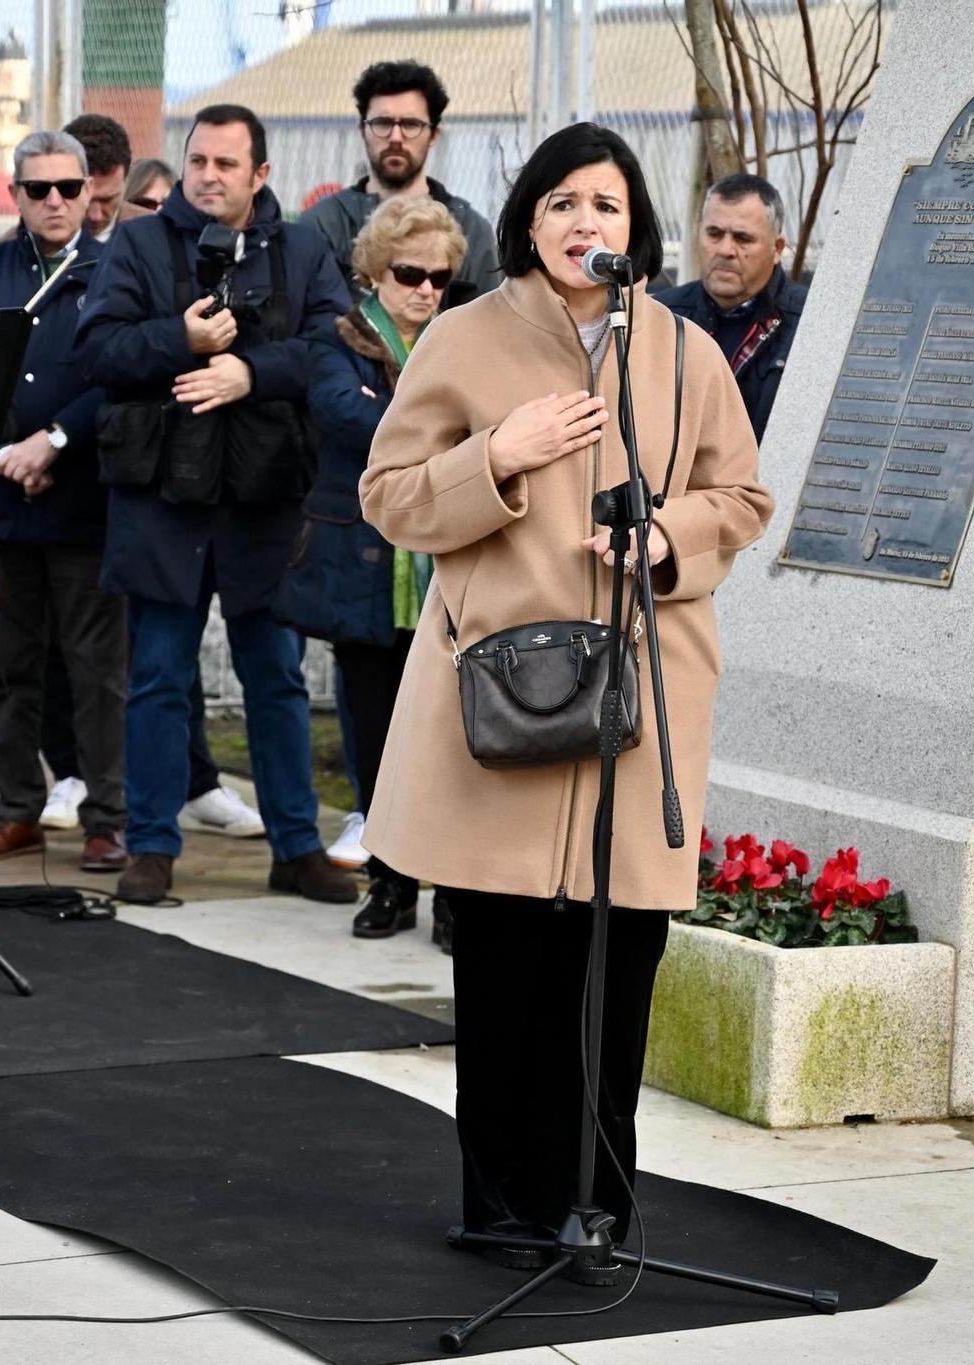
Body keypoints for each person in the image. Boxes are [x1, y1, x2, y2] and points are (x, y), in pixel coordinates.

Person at [358, 123, 773, 1249]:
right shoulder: (460, 337)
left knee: (611, 973)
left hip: (636, 711)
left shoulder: (685, 355)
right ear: (528, 221)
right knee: (501, 975)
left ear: (632, 228)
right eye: (562, 204)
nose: (585, 224)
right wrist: (495, 453)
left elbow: (738, 500)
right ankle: (501, 1213)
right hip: (497, 701)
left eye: (606, 205)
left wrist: (665, 539)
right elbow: (388, 496)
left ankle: (597, 1212)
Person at [77, 103, 357, 907]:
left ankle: (296, 845)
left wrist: (249, 373)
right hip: (161, 498)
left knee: (275, 677)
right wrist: (182, 341)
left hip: (265, 498)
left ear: (260, 175)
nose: (207, 176)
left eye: (226, 165)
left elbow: (334, 346)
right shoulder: (136, 242)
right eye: (197, 161)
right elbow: (96, 350)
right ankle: (154, 844)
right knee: (157, 677)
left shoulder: (303, 249)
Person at [273, 196, 465, 947]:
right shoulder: (340, 336)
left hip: (446, 571)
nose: (425, 288)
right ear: (375, 272)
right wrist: (440, 435)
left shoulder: (460, 339)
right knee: (375, 735)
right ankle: (389, 885)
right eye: (410, 272)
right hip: (363, 567)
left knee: (452, 742)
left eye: (440, 277)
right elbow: (340, 415)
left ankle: (452, 893)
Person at [0, 130, 126, 874]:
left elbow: (122, 373)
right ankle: (18, 806)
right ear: (15, 195)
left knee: (97, 671)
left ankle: (108, 816)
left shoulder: (121, 268)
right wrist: (5, 454)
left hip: (84, 494)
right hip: (2, 500)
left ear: (91, 192)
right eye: (38, 189)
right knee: (9, 666)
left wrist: (54, 442)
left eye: (69, 187)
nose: (55, 201)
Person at [300, 61, 500, 310]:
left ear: (434, 134)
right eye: (383, 123)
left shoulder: (472, 230)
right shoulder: (321, 225)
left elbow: (488, 326)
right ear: (363, 130)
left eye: (410, 124)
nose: (396, 137)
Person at [654, 172, 806, 443]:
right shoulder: (661, 316)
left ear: (777, 248)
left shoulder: (811, 324)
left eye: (743, 238)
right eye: (714, 234)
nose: (726, 249)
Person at [63, 114, 152, 244]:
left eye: (107, 200)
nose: (96, 216)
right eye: (86, 199)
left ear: (125, 181)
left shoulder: (154, 235)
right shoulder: (32, 234)